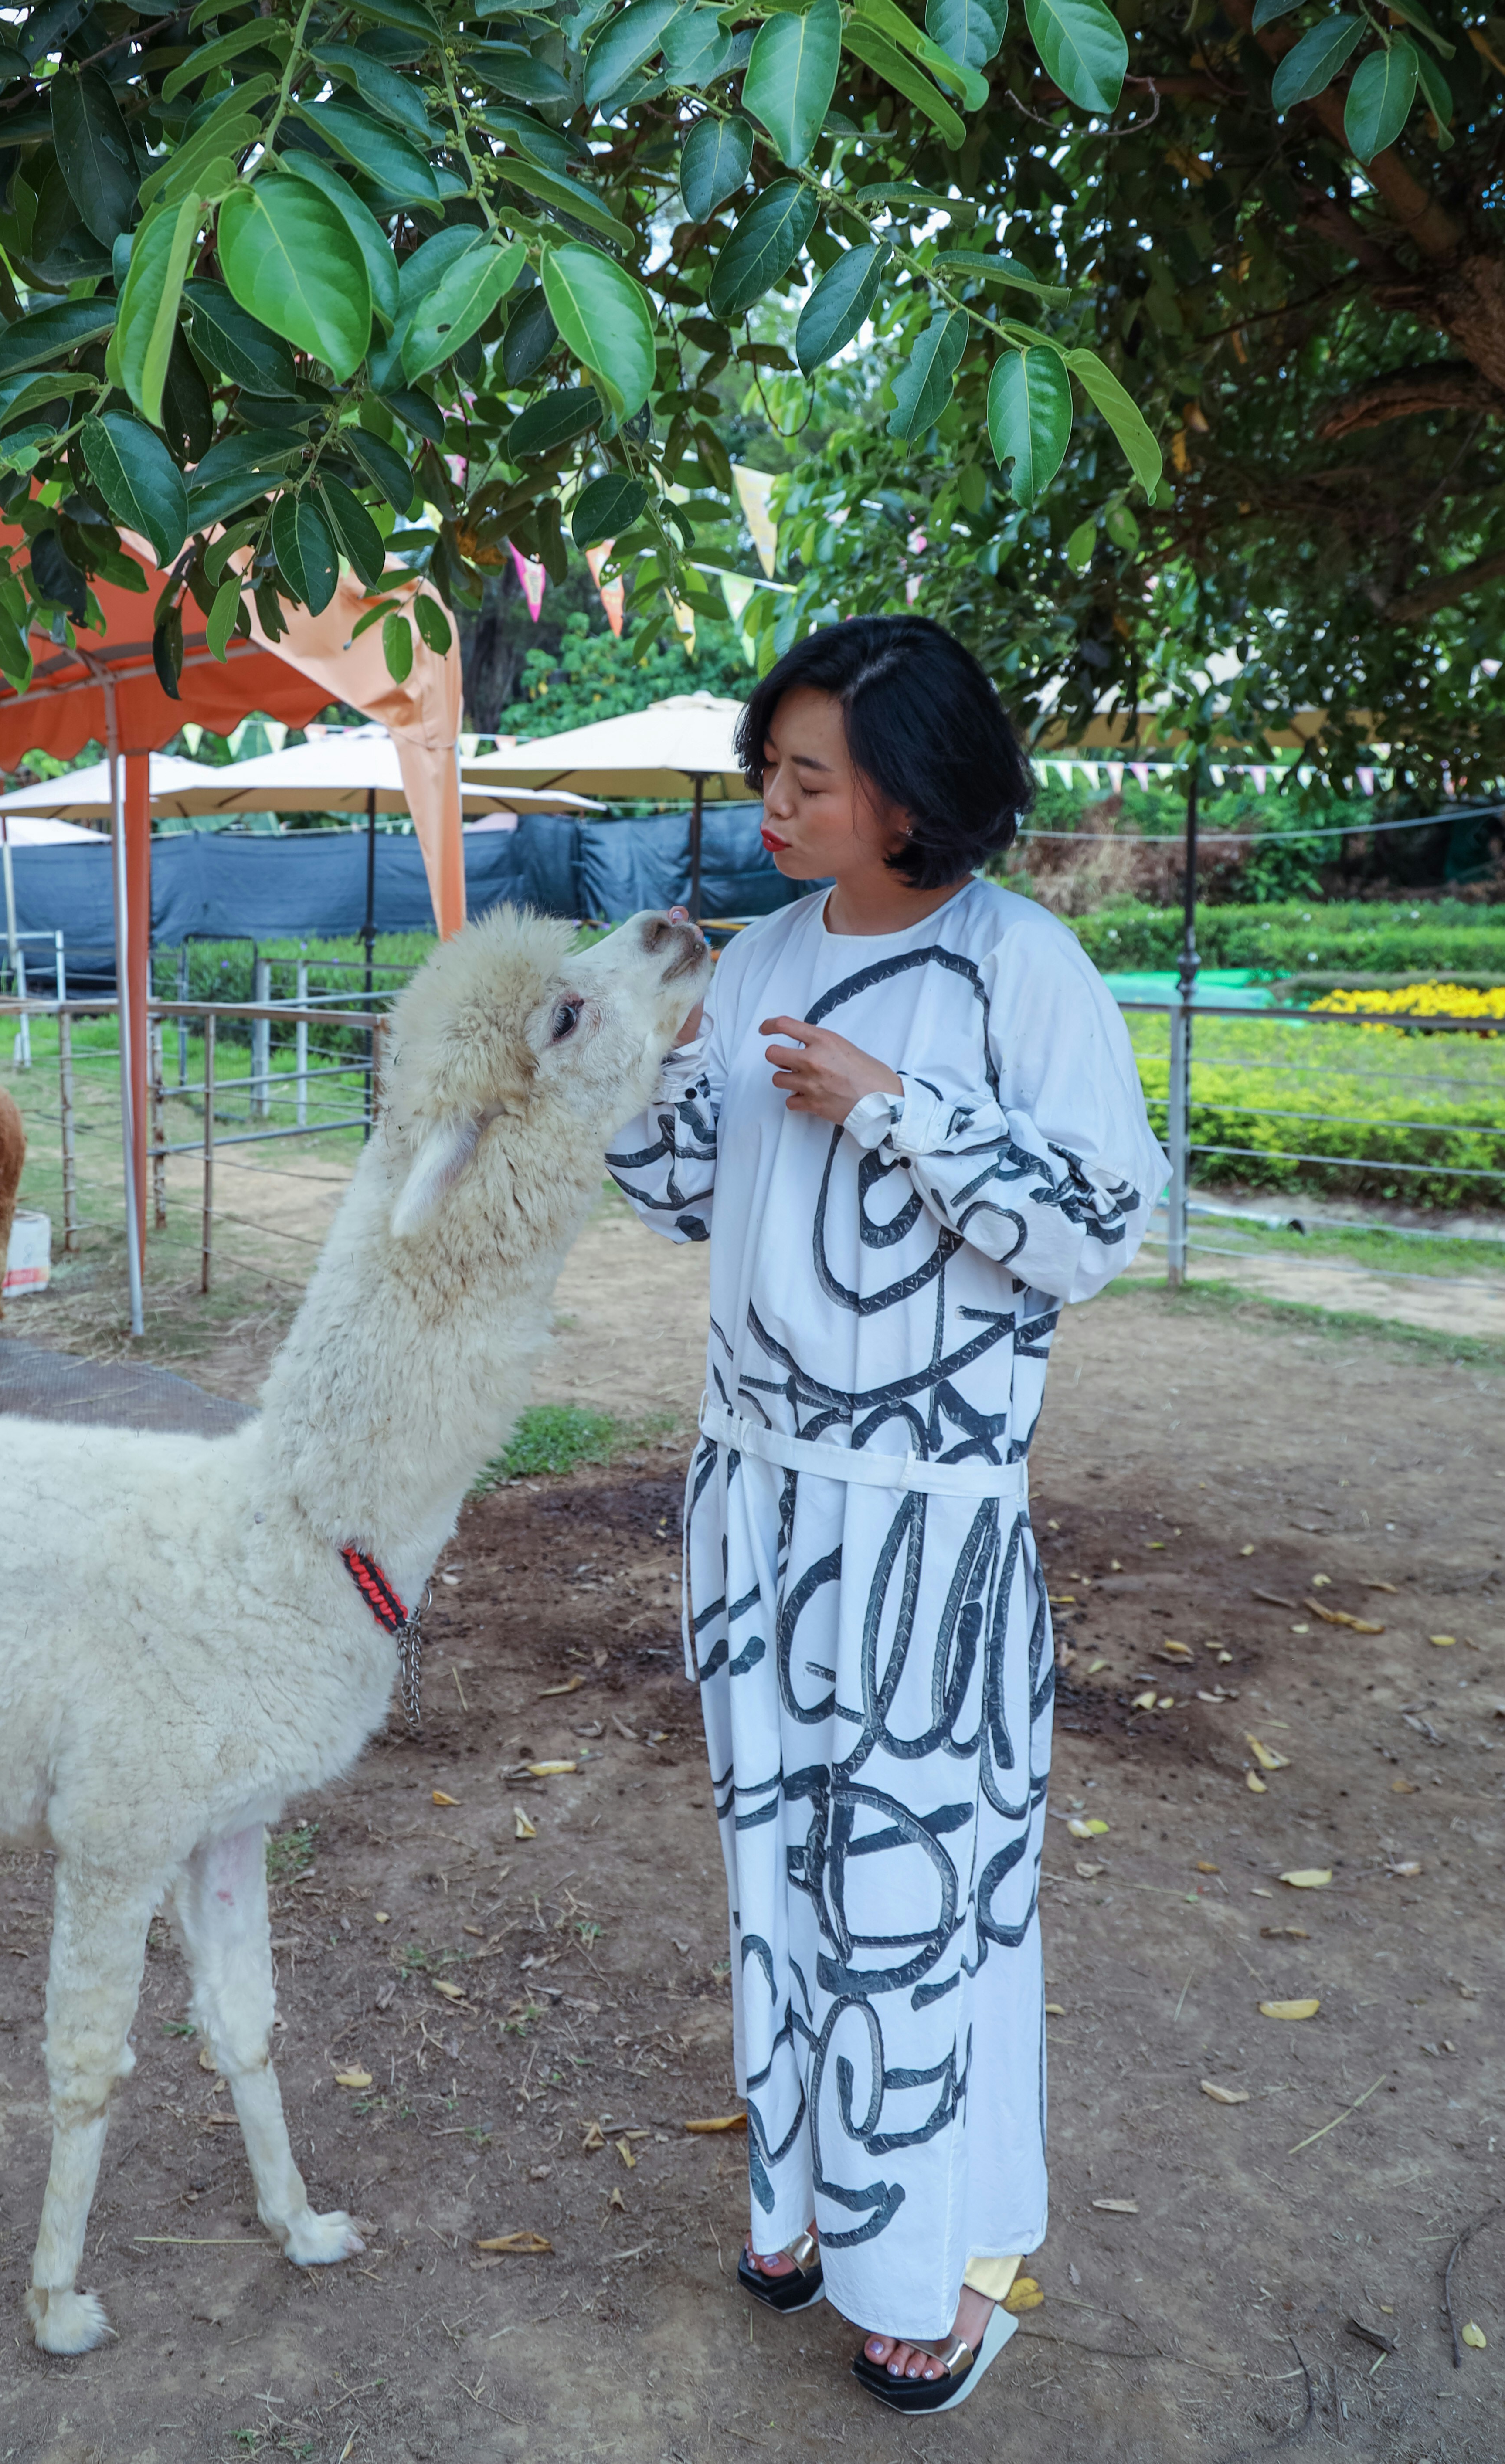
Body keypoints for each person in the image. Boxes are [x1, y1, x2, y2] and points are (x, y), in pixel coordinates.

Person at [607, 616, 1164, 2416]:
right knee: (781, 1883)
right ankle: (809, 2209)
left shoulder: (1024, 971)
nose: (771, 805)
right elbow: (690, 1194)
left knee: (927, 1897)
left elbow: (1093, 1227)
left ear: (911, 794)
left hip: (926, 1521)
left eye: (807, 780)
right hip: (754, 1499)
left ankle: (950, 2265)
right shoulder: (765, 952)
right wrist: (600, 1058)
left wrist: (900, 1113)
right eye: (767, 772)